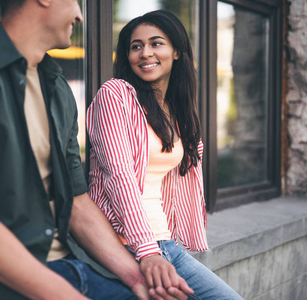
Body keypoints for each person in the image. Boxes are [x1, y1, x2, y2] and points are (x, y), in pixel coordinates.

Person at [0, 1, 195, 300]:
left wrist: (136, 277)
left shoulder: (57, 87)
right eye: (75, 1)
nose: (79, 14)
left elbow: (78, 203)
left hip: (69, 266)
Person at [87, 10, 244, 300]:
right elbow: (118, 176)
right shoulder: (116, 94)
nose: (145, 53)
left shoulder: (177, 110)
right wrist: (146, 250)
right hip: (124, 244)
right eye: (136, 46)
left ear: (176, 52)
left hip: (166, 245)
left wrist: (167, 242)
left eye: (156, 43)